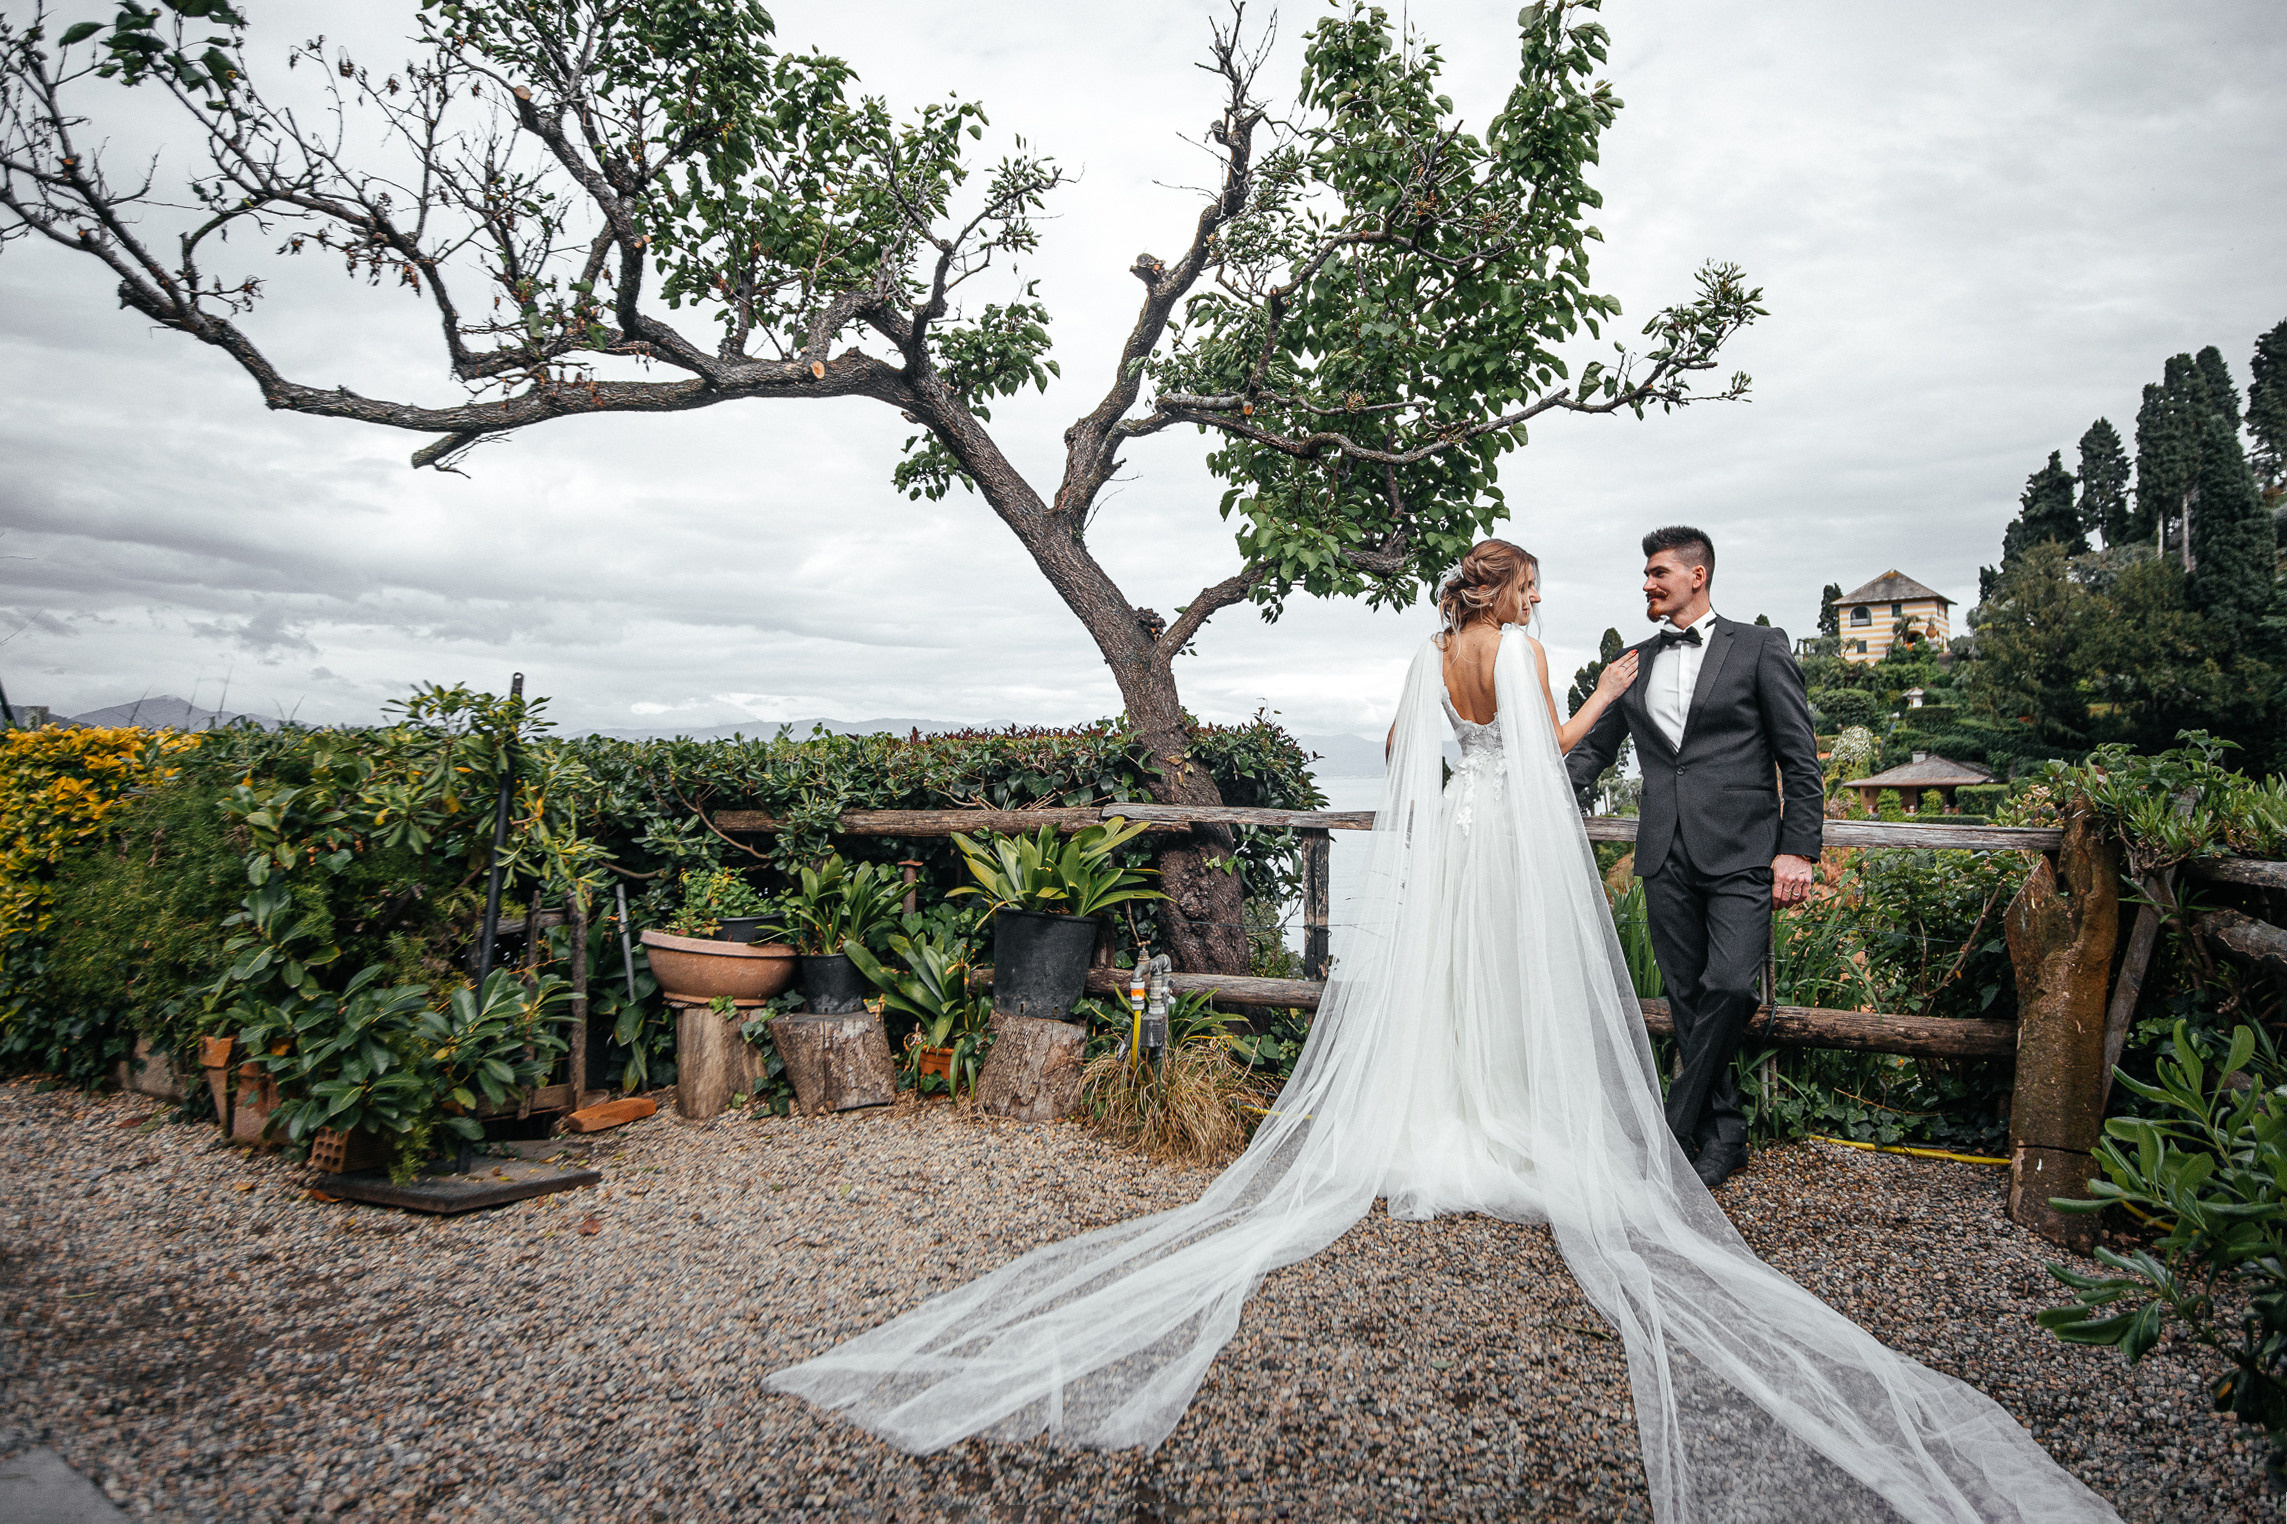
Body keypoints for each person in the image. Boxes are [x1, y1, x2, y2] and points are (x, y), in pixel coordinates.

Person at [769, 540, 2117, 1523]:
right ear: (1512, 595)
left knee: (1454, 978)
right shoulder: (1528, 653)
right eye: (1529, 588)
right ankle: (1508, 1118)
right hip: (1512, 834)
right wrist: (1592, 696)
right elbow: (1547, 744)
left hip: (1454, 836)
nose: (1538, 602)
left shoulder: (1429, 656)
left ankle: (1437, 1119)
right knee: (1517, 981)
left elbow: (1419, 765)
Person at [1563, 525, 1823, 1190]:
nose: (1646, 584)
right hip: (1662, 851)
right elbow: (1596, 750)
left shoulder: (1760, 647)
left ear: (1695, 575)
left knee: (1730, 987)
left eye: (1656, 574)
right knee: (1685, 998)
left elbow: (1797, 755)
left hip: (1743, 851)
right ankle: (1725, 1133)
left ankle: (1673, 1127)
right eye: (1646, 575)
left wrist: (1796, 849)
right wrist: (1538, 787)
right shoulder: (1634, 660)